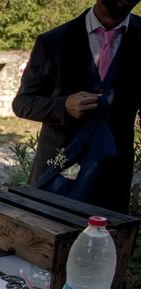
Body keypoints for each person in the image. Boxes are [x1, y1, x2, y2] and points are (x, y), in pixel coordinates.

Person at [13, 0, 141, 214]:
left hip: (113, 178)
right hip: (59, 172)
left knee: (105, 244)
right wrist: (62, 105)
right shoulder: (53, 42)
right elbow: (22, 103)